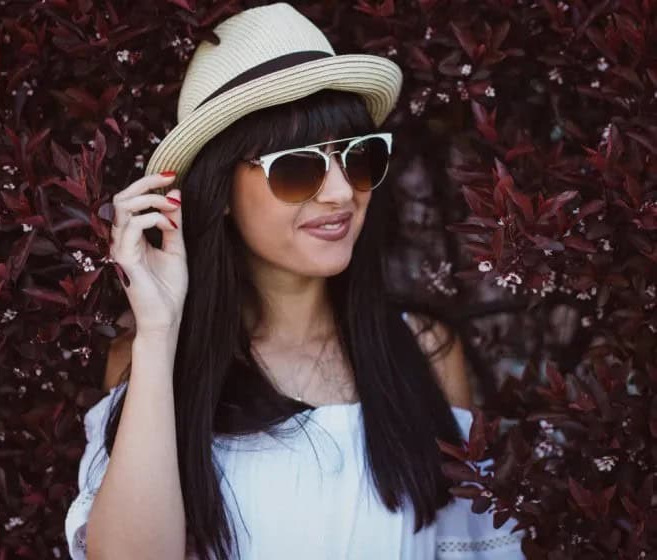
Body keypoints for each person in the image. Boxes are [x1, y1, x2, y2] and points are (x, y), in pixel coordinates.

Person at [64, 3, 525, 559]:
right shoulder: (151, 365)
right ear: (221, 192)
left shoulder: (422, 353)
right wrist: (159, 332)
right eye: (298, 166)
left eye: (358, 159)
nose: (338, 193)